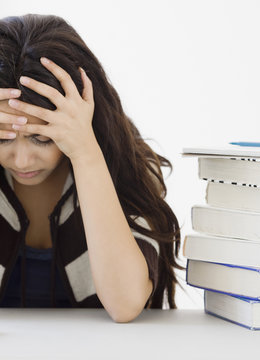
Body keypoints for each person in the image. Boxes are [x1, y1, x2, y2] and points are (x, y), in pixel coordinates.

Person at [0, 14, 183, 322]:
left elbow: (125, 304)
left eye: (42, 138)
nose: (21, 161)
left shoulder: (127, 165)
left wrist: (86, 152)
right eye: (3, 138)